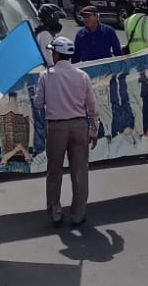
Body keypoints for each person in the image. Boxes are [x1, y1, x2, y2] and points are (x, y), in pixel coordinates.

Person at [35, 37, 100, 227]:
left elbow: (38, 104)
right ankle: (78, 213)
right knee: (79, 171)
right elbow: (92, 106)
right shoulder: (82, 75)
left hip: (57, 128)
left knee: (54, 170)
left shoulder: (46, 76)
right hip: (80, 126)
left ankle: (55, 210)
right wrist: (94, 129)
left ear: (56, 54)